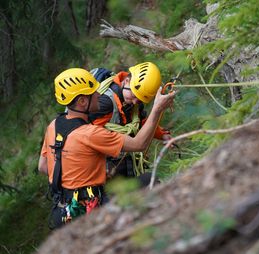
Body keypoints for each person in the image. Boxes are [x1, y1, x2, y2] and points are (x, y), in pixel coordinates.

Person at [38, 68, 175, 229]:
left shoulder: (53, 126)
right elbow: (139, 144)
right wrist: (158, 108)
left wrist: (77, 176)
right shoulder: (91, 134)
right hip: (88, 212)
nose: (99, 94)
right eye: (94, 92)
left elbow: (42, 166)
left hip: (61, 212)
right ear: (82, 101)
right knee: (150, 180)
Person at [89, 62, 171, 181]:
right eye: (133, 95)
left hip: (121, 159)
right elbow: (89, 134)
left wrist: (163, 135)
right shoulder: (105, 103)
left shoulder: (133, 102)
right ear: (127, 80)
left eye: (139, 100)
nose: (134, 102)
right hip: (103, 164)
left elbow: (141, 123)